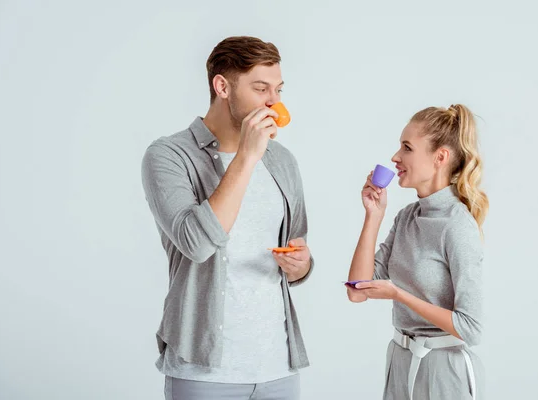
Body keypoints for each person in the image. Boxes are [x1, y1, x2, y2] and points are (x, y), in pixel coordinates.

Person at [141, 36, 314, 400]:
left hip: (277, 365)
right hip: (203, 371)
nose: (274, 102)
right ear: (222, 86)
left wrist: (301, 265)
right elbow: (197, 243)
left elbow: (297, 246)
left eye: (278, 90)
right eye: (260, 88)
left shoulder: (282, 160)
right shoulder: (169, 156)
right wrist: (247, 157)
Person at [346, 104, 488, 399]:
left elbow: (471, 328)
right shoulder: (407, 217)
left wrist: (399, 294)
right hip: (400, 359)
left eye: (407, 148)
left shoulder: (457, 226)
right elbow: (357, 291)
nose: (395, 157)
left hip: (444, 370)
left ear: (440, 157)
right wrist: (373, 215)